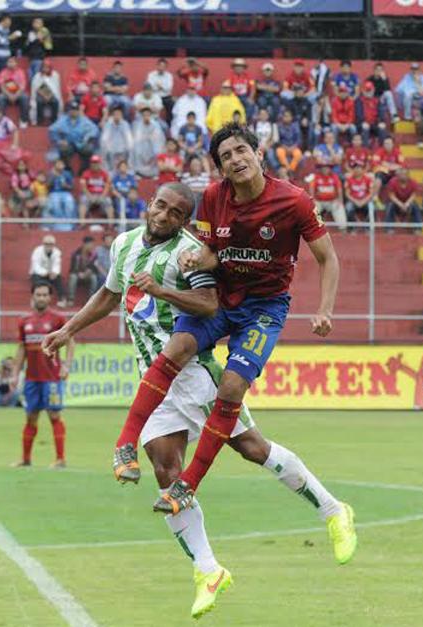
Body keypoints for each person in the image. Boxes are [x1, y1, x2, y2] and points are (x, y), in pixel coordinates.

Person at [41, 182, 356, 617]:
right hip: (153, 382)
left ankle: (333, 508)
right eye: (160, 206)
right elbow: (109, 295)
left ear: (186, 220)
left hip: (193, 374)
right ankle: (209, 571)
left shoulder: (192, 252)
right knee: (165, 470)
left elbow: (209, 306)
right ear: (149, 204)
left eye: (175, 212)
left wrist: (161, 291)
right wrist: (69, 328)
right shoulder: (123, 244)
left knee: (254, 449)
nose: (164, 215)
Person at [90, 123, 344, 519]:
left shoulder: (293, 201)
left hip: (264, 308)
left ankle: (188, 484)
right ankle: (125, 443)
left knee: (232, 387)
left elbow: (328, 258)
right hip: (223, 299)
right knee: (177, 347)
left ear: (258, 154)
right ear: (221, 169)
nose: (236, 160)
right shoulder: (212, 198)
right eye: (226, 157)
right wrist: (199, 258)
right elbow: (212, 252)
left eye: (241, 150)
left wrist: (325, 309)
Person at [11, 283, 72, 467]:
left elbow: (71, 342)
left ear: (50, 298)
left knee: (54, 415)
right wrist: (15, 373)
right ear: (33, 296)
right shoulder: (25, 321)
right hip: (31, 379)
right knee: (31, 417)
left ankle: (60, 459)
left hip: (52, 378)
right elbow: (22, 349)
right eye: (39, 294)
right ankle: (26, 459)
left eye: (45, 295)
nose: (42, 298)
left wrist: (66, 365)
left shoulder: (58, 319)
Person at [49, 103, 99, 174]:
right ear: (69, 111)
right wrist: (59, 140)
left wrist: (87, 137)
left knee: (89, 149)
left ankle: (84, 170)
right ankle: (67, 169)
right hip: (68, 143)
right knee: (63, 150)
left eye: (75, 110)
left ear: (78, 111)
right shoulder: (63, 120)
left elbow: (95, 129)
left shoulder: (84, 120)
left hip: (81, 143)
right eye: (72, 110)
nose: (73, 112)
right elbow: (52, 130)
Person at [67, 236, 101, 304]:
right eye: (90, 245)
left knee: (94, 277)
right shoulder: (76, 254)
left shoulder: (94, 255)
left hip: (88, 276)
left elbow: (95, 268)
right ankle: (71, 299)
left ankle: (91, 300)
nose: (92, 247)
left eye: (93, 245)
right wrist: (78, 273)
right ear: (85, 244)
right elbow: (72, 268)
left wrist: (89, 271)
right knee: (73, 277)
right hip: (78, 275)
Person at [29, 235, 64, 301]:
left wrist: (54, 272)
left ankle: (61, 299)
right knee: (37, 280)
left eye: (51, 244)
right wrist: (45, 272)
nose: (48, 246)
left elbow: (57, 265)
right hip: (38, 273)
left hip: (51, 274)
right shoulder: (37, 251)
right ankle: (34, 298)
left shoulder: (57, 252)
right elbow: (35, 266)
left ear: (54, 245)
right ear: (43, 244)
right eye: (46, 244)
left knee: (58, 278)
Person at [24, 17, 52, 82]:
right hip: (31, 58)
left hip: (39, 58)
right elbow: (27, 44)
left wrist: (38, 37)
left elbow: (47, 45)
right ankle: (34, 91)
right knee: (30, 77)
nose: (35, 24)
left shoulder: (44, 31)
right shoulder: (31, 32)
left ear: (42, 24)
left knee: (37, 77)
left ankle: (37, 91)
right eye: (34, 22)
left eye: (38, 22)